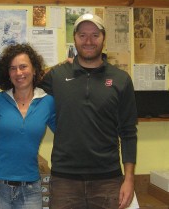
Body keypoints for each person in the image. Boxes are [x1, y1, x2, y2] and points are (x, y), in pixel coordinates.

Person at [40, 13, 138, 209]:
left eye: (95, 35)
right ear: (74, 38)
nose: (89, 41)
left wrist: (129, 179)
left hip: (108, 180)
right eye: (82, 35)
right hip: (64, 180)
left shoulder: (121, 79)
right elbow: (23, 82)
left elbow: (128, 132)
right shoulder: (57, 76)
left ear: (104, 38)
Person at [0, 43, 56, 209]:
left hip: (30, 188)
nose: (18, 73)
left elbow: (67, 132)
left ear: (35, 69)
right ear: (8, 74)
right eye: (13, 68)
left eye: (23, 67)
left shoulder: (47, 102)